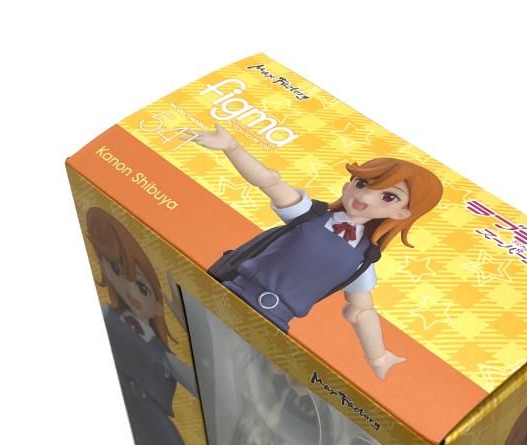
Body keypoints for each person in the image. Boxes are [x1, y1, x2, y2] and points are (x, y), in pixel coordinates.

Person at [188, 125, 443, 380]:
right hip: (230, 293)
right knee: (193, 343)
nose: (365, 196)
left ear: (401, 214)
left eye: (388, 197)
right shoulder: (309, 214)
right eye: (362, 183)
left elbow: (361, 311)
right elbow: (268, 181)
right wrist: (232, 147)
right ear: (348, 185)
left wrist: (378, 357)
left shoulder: (363, 260)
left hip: (270, 323)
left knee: (224, 376)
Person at [86, 207, 214, 445]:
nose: (130, 290)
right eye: (117, 269)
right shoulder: (107, 316)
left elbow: (205, 389)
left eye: (143, 288)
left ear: (157, 302)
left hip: (159, 428)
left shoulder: (162, 352)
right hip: (133, 420)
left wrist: (192, 330)